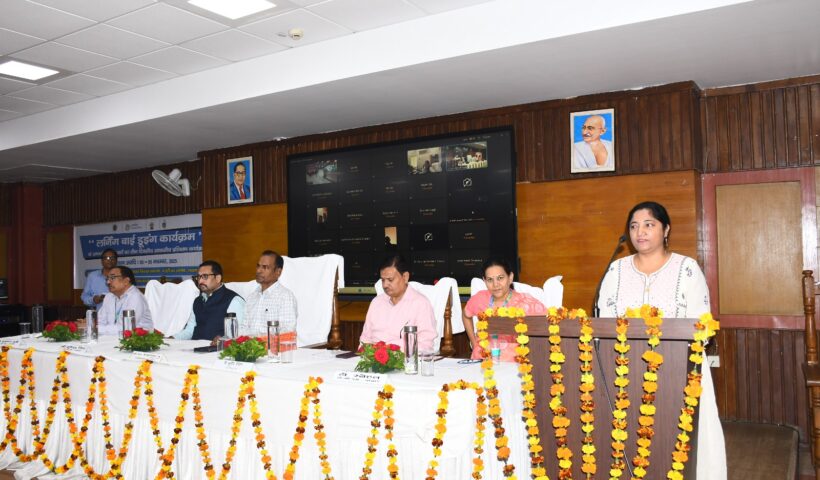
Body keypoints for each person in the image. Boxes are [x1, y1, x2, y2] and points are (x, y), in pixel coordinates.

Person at [596, 201, 725, 480]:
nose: (639, 232)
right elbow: (604, 324)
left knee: (676, 448)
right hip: (625, 372)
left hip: (678, 372)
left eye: (649, 224)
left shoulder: (686, 269)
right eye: (634, 226)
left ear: (666, 229)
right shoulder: (616, 270)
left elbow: (702, 325)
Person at [462, 257, 546, 361]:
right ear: (484, 281)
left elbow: (546, 326)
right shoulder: (480, 298)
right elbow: (466, 315)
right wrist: (474, 343)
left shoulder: (526, 303)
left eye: (500, 278)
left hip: (515, 362)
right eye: (490, 280)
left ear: (510, 277)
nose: (495, 284)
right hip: (483, 359)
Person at [360, 255, 437, 352]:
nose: (385, 285)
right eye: (383, 280)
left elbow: (425, 344)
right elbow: (365, 340)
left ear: (405, 277)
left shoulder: (420, 304)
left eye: (390, 280)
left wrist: (390, 348)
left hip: (404, 358)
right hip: (373, 358)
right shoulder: (376, 302)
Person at [174, 260, 245, 341]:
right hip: (194, 346)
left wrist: (222, 340)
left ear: (218, 278)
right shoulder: (197, 301)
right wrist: (172, 339)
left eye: (205, 276)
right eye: (199, 277)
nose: (200, 281)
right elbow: (190, 330)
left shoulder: (233, 300)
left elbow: (237, 334)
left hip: (218, 348)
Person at [241, 251, 297, 337]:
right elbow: (244, 328)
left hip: (272, 345)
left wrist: (260, 340)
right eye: (258, 266)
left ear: (278, 272)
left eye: (265, 267)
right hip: (249, 344)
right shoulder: (252, 297)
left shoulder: (285, 296)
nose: (259, 271)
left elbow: (287, 331)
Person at [98, 266, 153, 335]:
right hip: (112, 337)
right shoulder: (109, 297)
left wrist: (96, 328)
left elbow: (126, 328)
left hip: (138, 339)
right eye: (107, 278)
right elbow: (100, 321)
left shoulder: (135, 297)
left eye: (112, 278)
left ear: (126, 281)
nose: (108, 282)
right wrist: (92, 326)